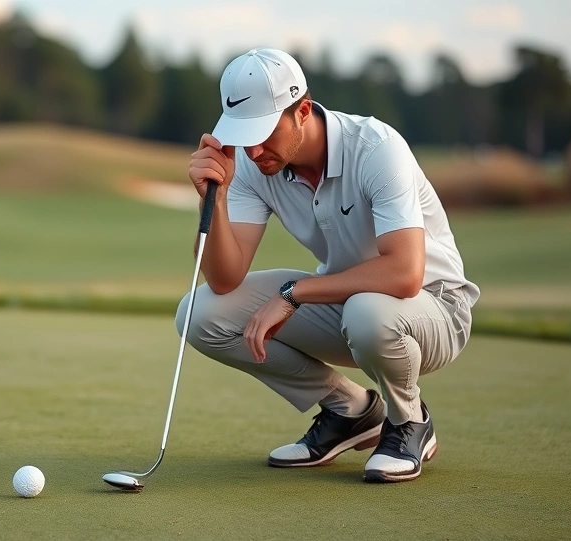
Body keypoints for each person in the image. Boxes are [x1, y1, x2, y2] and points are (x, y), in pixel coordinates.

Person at [179, 48, 479, 483]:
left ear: (302, 111)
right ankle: (352, 411)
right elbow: (224, 279)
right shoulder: (249, 162)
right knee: (198, 312)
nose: (254, 148)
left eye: (264, 131)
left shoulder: (377, 148)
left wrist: (293, 294)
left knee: (366, 312)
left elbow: (404, 273)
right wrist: (215, 200)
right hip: (350, 304)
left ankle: (409, 419)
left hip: (434, 308)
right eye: (244, 134)